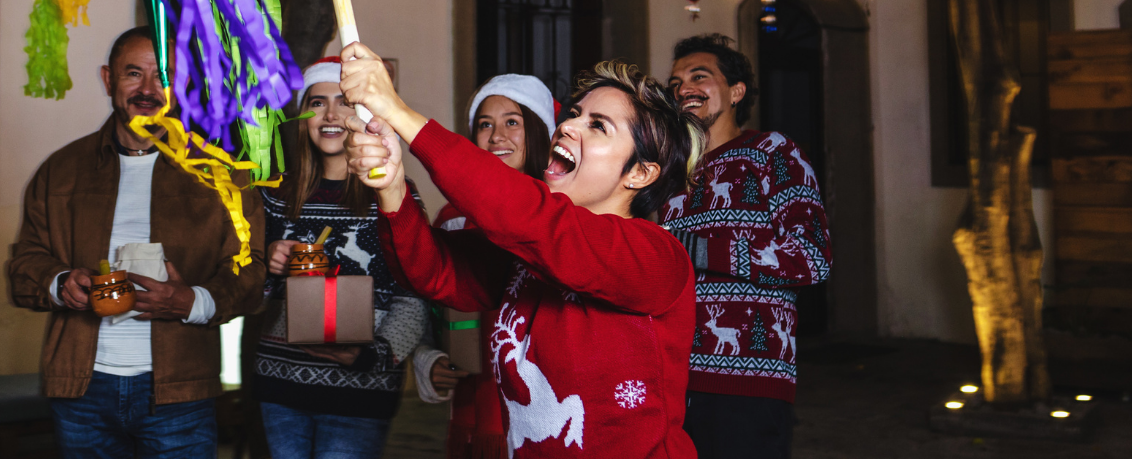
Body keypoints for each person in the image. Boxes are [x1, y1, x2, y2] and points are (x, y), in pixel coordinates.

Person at [342, 44, 703, 459]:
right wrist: (391, 187)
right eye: (574, 114)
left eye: (598, 126)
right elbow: (433, 272)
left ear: (639, 173)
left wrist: (398, 113)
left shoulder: (655, 255)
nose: (567, 128)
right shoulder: (528, 256)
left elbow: (535, 218)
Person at [9, 26, 264, 458]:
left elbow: (251, 270)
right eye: (133, 74)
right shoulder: (61, 170)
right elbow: (25, 262)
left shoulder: (221, 174)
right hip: (81, 386)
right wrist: (60, 282)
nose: (149, 89)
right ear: (109, 79)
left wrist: (192, 301)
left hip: (179, 388)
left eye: (163, 76)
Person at [663, 34, 831, 459]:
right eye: (676, 81)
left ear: (736, 91)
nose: (684, 88)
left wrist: (701, 251)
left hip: (748, 386)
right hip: (672, 381)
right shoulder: (667, 174)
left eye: (699, 76)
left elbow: (812, 257)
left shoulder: (772, 152)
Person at [253, 57, 429, 458]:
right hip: (282, 388)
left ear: (362, 113)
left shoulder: (392, 192)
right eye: (316, 102)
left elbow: (414, 295)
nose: (331, 114)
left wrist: (371, 355)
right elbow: (249, 297)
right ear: (303, 115)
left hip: (361, 393)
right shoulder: (275, 195)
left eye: (344, 101)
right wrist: (267, 265)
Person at [411, 74, 556, 459]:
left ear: (540, 131)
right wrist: (431, 359)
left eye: (513, 122)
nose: (496, 137)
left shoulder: (560, 215)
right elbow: (430, 306)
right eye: (484, 124)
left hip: (543, 413)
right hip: (474, 414)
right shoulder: (452, 218)